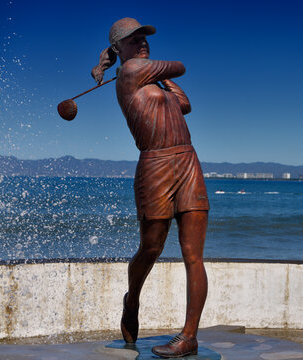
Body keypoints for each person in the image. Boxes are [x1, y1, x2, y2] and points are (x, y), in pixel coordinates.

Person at [91, 17, 209, 358]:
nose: (143, 41)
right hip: (155, 166)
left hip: (188, 161)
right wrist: (141, 67)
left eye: (144, 36)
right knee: (151, 249)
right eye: (134, 38)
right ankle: (132, 299)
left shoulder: (149, 76)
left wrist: (157, 74)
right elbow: (181, 66)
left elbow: (184, 103)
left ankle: (189, 337)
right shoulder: (129, 74)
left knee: (193, 256)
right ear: (118, 48)